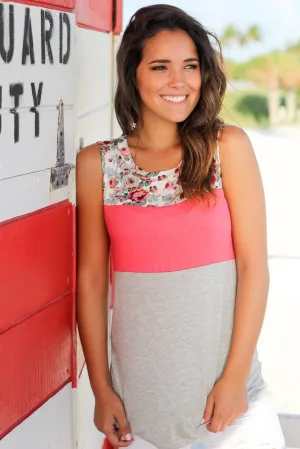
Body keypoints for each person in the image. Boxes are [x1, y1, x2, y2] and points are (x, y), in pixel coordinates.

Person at [76, 5, 286, 449]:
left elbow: (254, 269)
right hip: (138, 420)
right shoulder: (99, 165)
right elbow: (92, 281)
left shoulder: (226, 148)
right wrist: (101, 389)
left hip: (231, 411)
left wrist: (233, 378)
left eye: (190, 66)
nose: (180, 81)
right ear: (133, 73)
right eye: (160, 67)